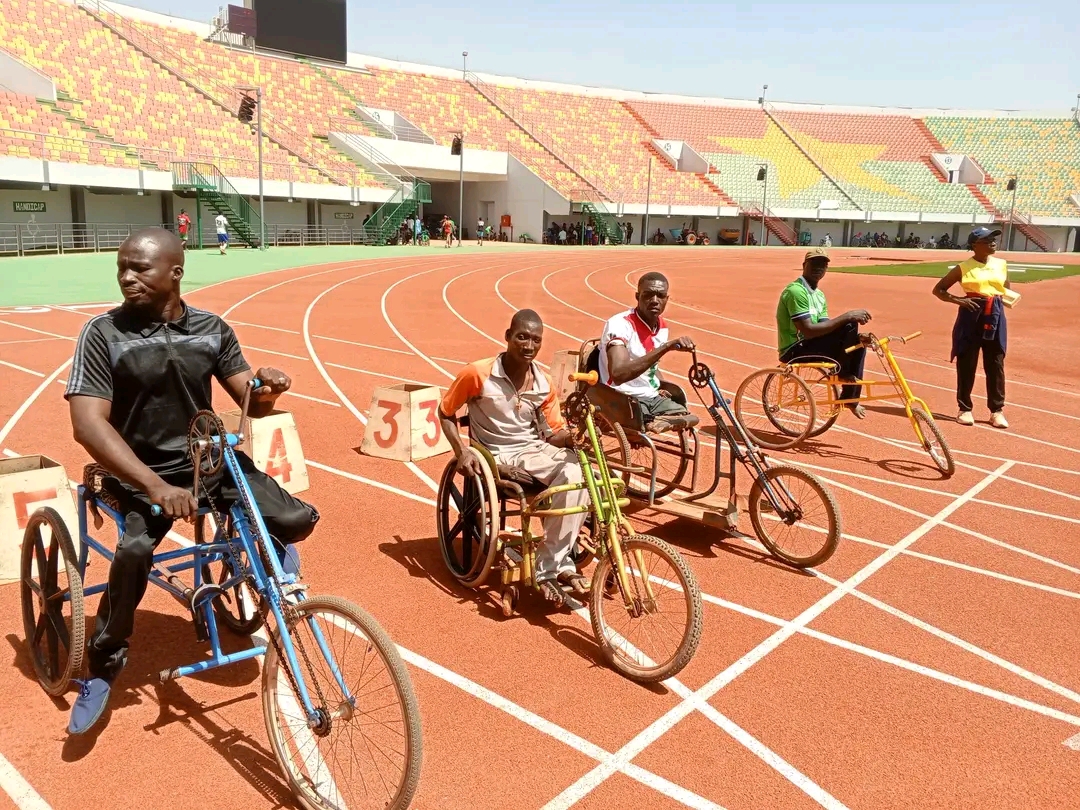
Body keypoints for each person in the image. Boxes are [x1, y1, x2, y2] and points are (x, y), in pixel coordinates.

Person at [63, 228, 319, 735]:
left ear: (175, 273)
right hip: (139, 474)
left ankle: (256, 565)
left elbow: (249, 395)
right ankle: (104, 664)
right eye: (123, 267)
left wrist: (268, 388)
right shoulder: (103, 335)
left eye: (139, 267)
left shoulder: (210, 329)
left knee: (293, 518)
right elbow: (87, 424)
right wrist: (155, 487)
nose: (126, 277)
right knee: (134, 553)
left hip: (207, 462)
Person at [438, 309, 589, 607]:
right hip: (499, 454)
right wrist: (462, 450)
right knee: (571, 476)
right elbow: (445, 412)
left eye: (536, 340)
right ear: (508, 337)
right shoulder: (477, 373)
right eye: (522, 337)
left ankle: (558, 560)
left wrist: (573, 437)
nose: (528, 345)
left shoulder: (543, 383)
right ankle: (549, 568)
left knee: (585, 474)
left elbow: (554, 433)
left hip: (535, 449)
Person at [598, 272, 699, 433]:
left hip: (649, 396)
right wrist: (665, 348)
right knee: (647, 420)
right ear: (637, 296)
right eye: (648, 295)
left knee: (684, 414)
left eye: (660, 295)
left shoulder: (661, 326)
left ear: (667, 299)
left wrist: (659, 383)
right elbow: (618, 374)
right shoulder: (620, 325)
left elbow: (650, 363)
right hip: (621, 397)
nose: (654, 300)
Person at [775, 247, 871, 418]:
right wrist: (848, 316)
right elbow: (808, 330)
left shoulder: (818, 295)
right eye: (814, 263)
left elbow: (826, 327)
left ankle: (850, 398)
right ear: (804, 265)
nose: (818, 268)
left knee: (858, 344)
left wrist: (854, 339)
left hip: (809, 344)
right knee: (849, 324)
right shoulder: (796, 291)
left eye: (823, 264)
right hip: (794, 348)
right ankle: (842, 373)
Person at [932, 226, 1011, 429]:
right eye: (987, 240)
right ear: (975, 245)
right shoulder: (963, 267)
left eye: (994, 239)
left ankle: (997, 410)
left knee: (996, 362)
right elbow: (939, 290)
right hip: (971, 316)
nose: (993, 243)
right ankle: (965, 408)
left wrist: (1001, 302)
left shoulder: (1001, 264)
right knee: (967, 363)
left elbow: (1006, 289)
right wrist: (959, 300)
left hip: (995, 315)